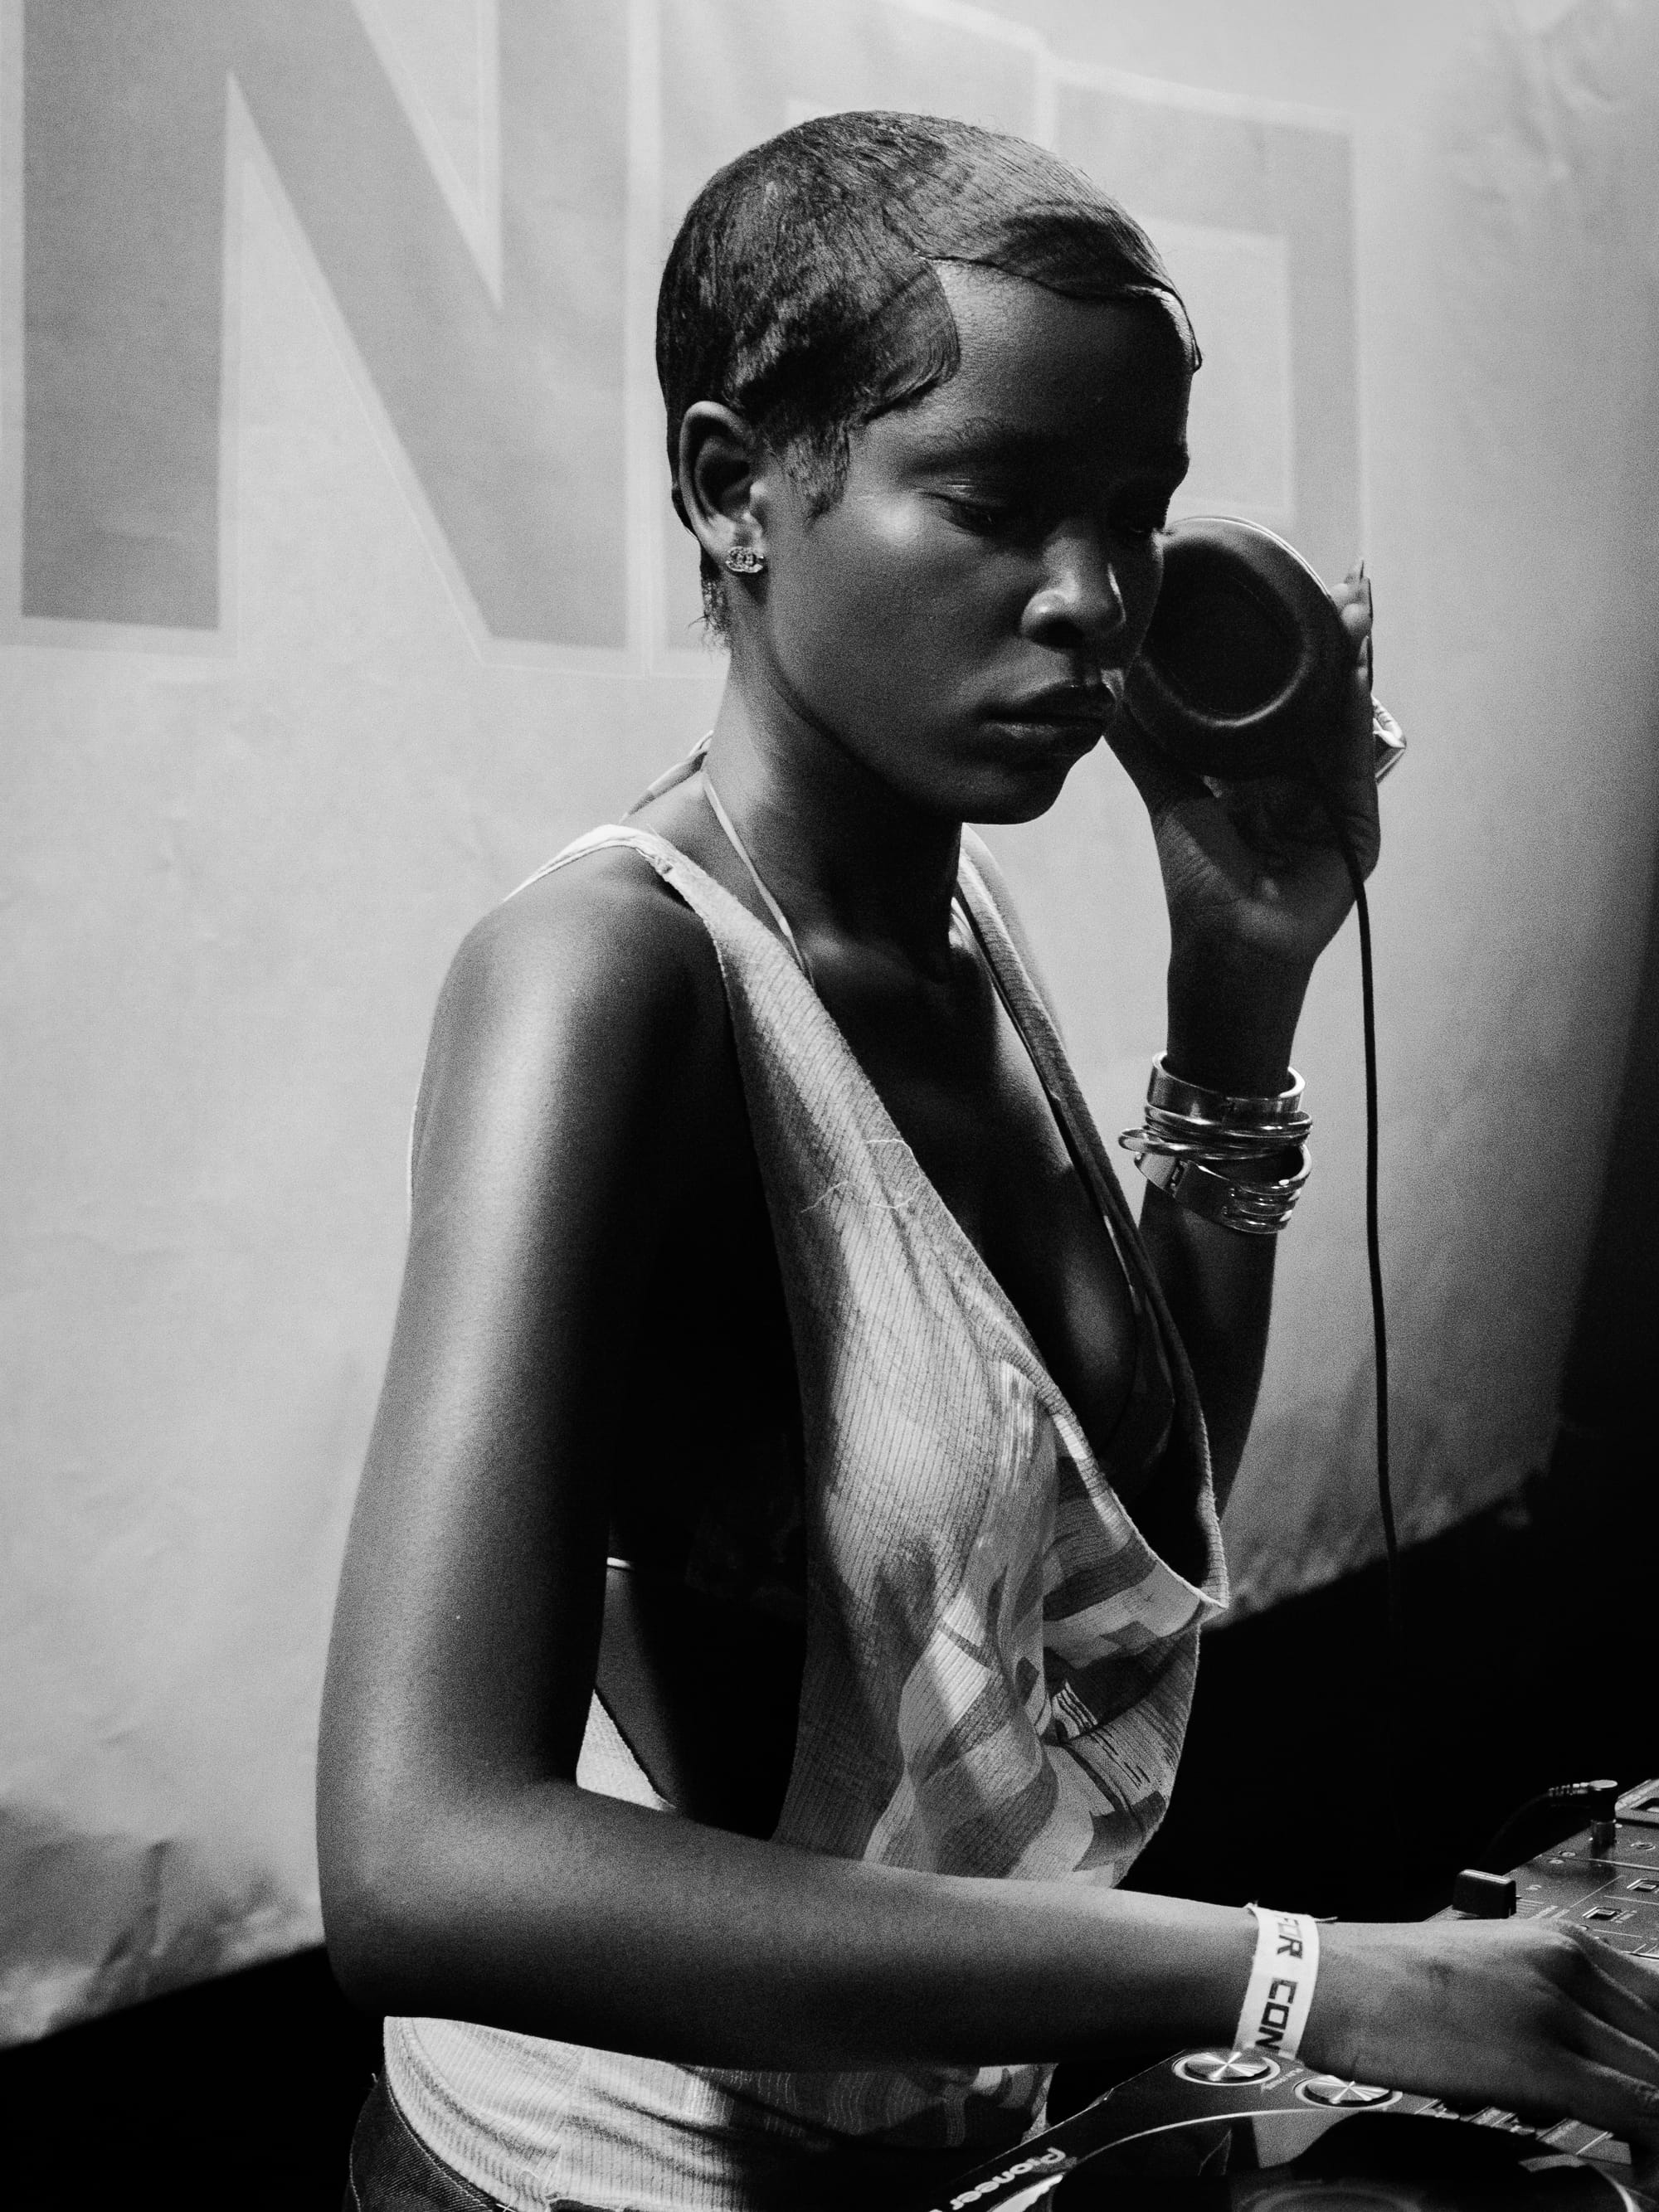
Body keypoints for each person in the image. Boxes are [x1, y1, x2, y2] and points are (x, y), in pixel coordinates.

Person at [319, 110, 1659, 2212]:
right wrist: (1300, 1980)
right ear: (731, 486)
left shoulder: (955, 931)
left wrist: (1236, 992)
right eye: (999, 503)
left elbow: (1103, 1563)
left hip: (937, 2142)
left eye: (1136, 518)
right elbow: (422, 1855)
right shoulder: (605, 982)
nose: (1096, 602)